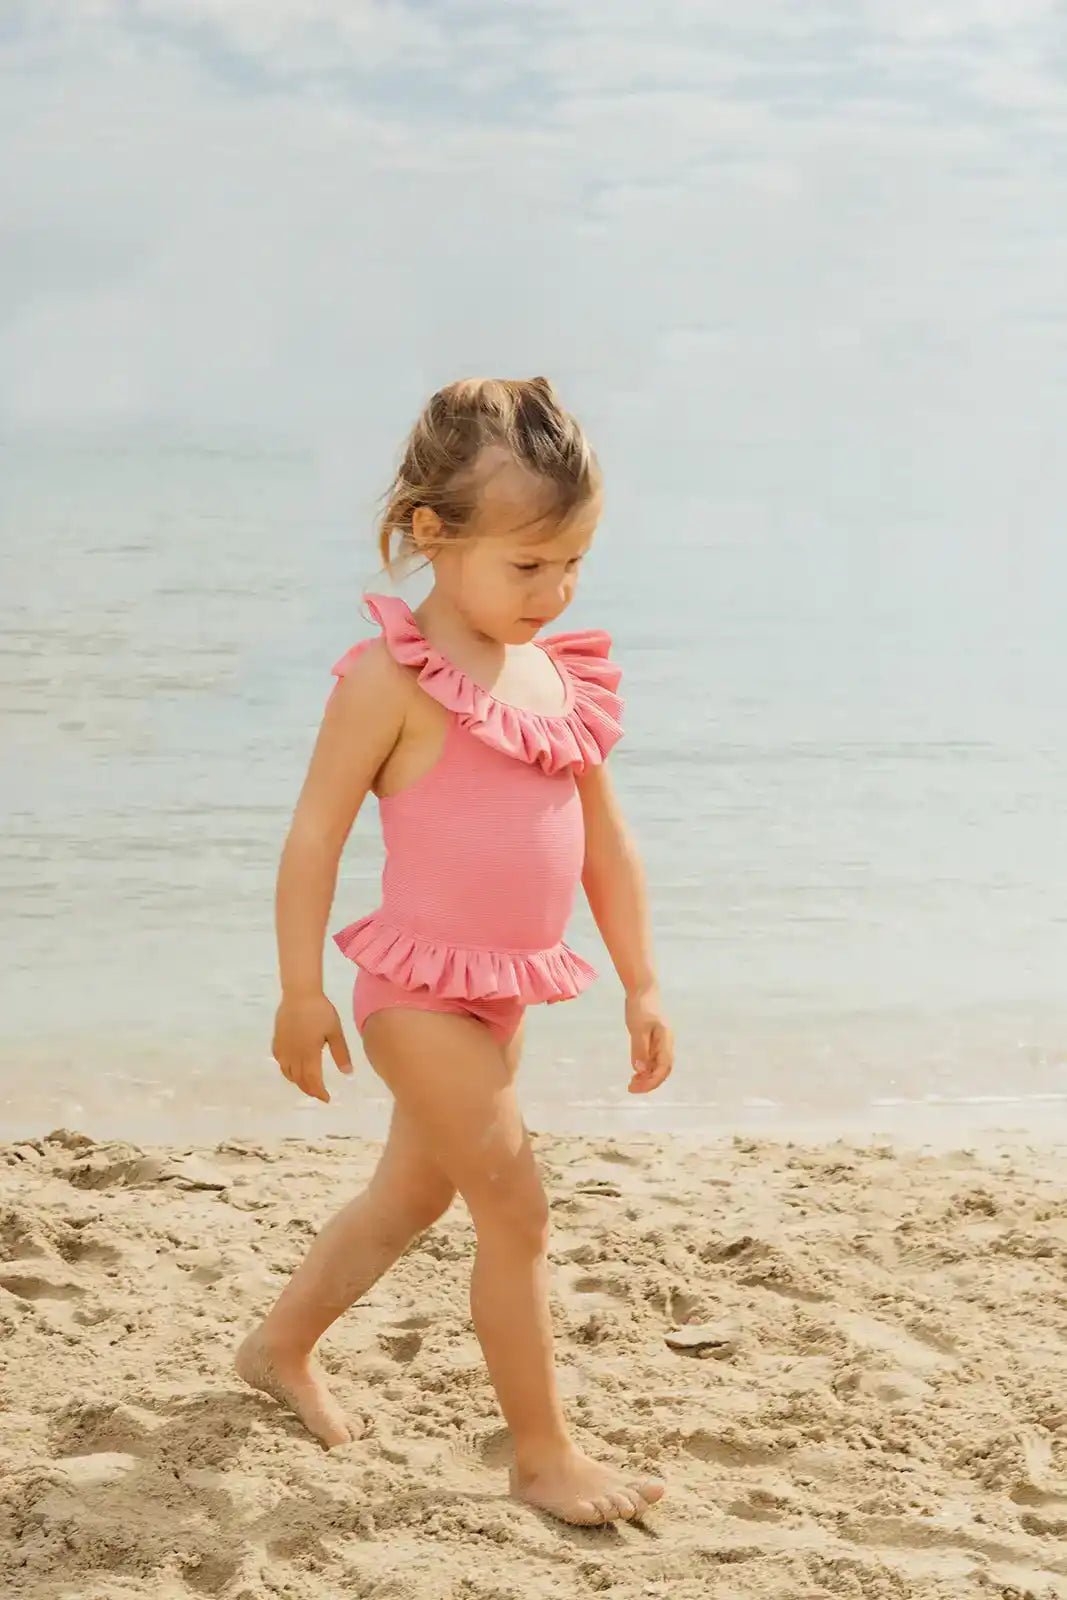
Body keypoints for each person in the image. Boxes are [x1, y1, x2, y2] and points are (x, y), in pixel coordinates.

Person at [236, 376, 674, 1526]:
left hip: (503, 995)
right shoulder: (390, 678)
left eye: (571, 562)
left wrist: (640, 979)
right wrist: (299, 990)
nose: (554, 589)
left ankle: (278, 1347)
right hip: (414, 997)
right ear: (431, 535)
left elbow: (604, 846)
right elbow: (314, 835)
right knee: (515, 1209)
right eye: (525, 566)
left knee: (409, 1198)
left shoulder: (555, 676)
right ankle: (540, 1455)